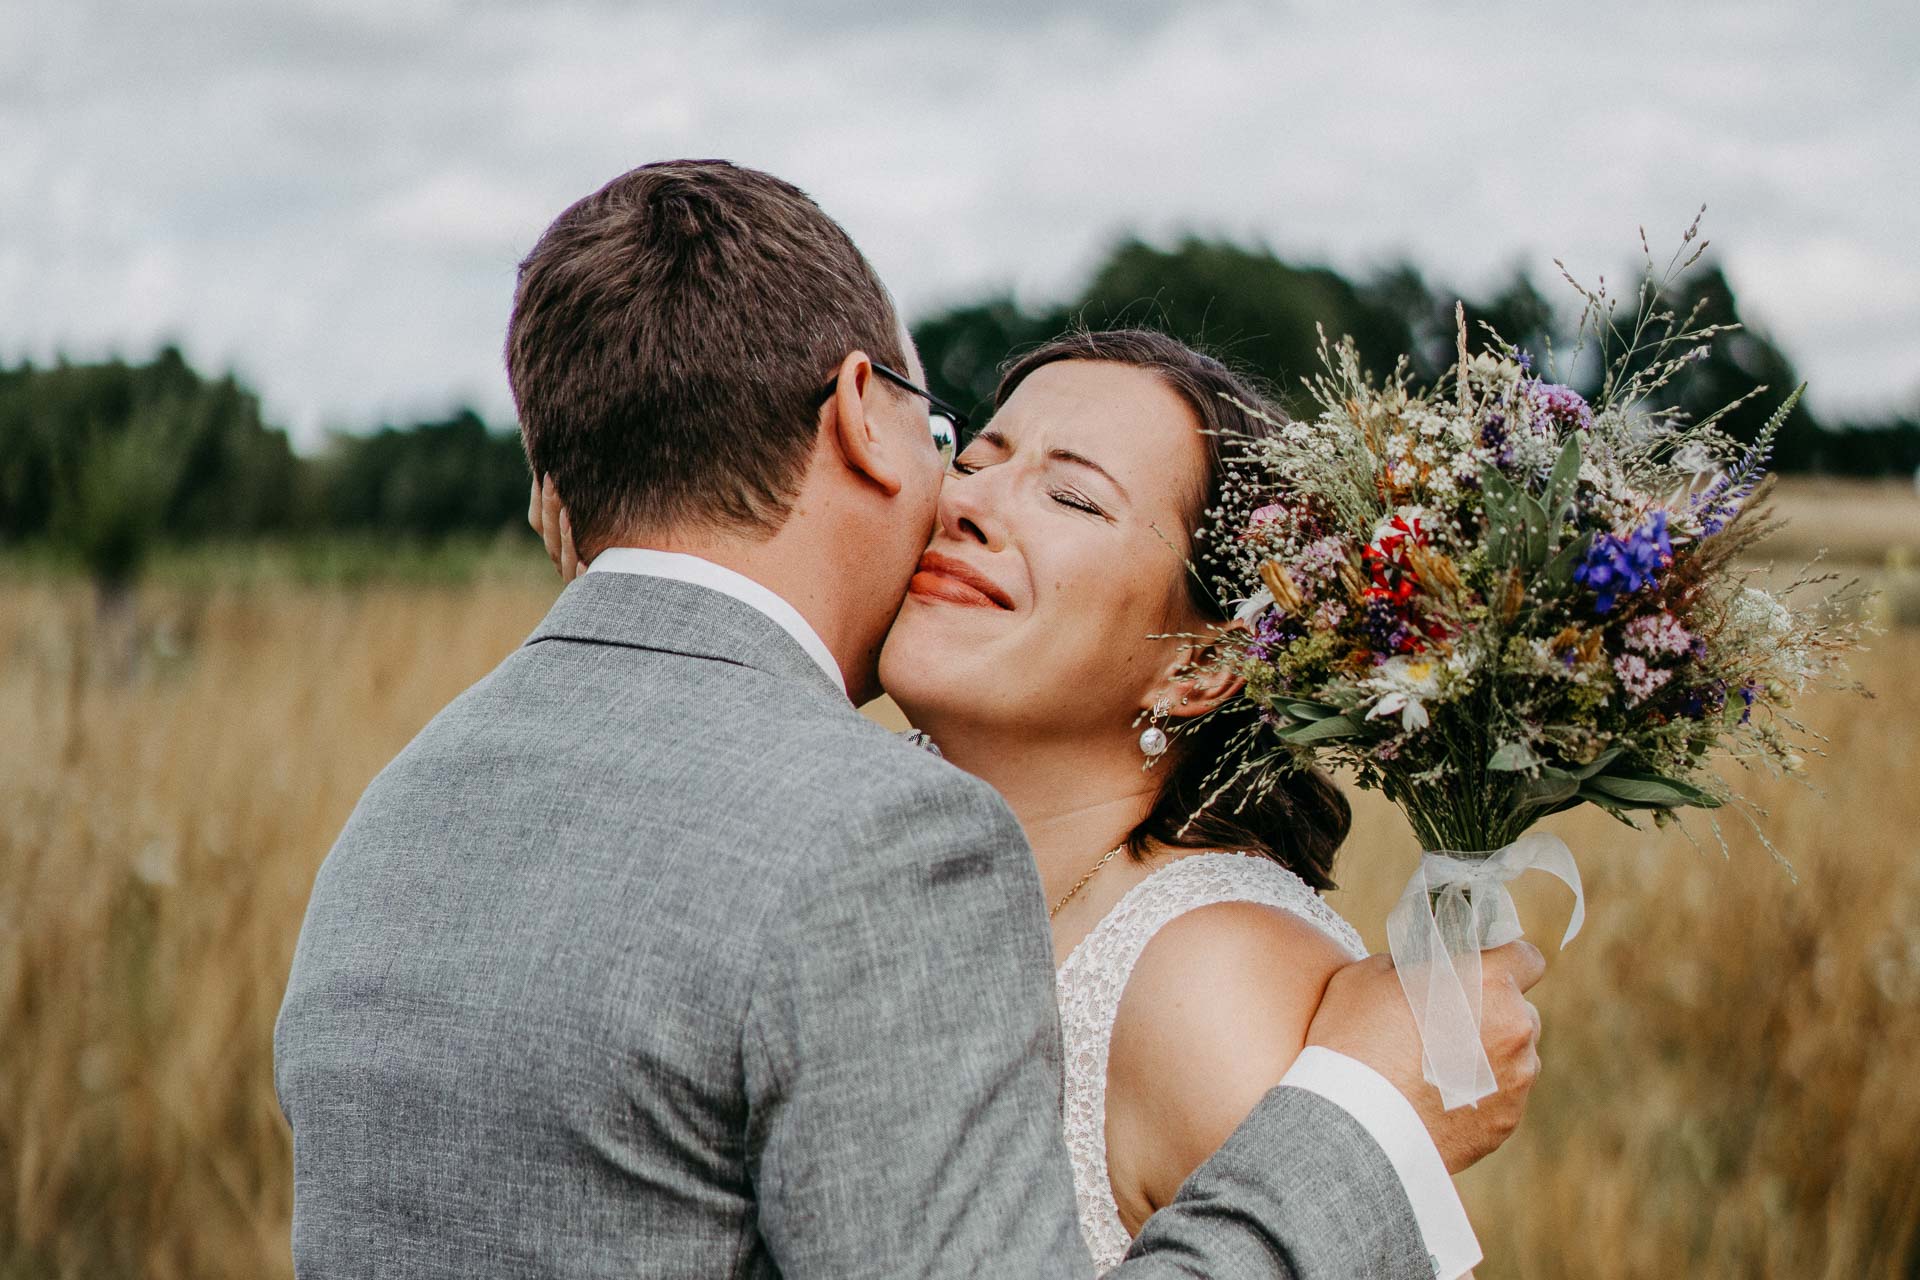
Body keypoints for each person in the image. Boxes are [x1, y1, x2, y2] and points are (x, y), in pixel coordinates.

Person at [277, 159, 1541, 1278]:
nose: (969, 500)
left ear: (1205, 661)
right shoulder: (876, 850)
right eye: (970, 449)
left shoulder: (401, 813)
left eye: (1077, 498)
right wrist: (1365, 1121)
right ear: (855, 418)